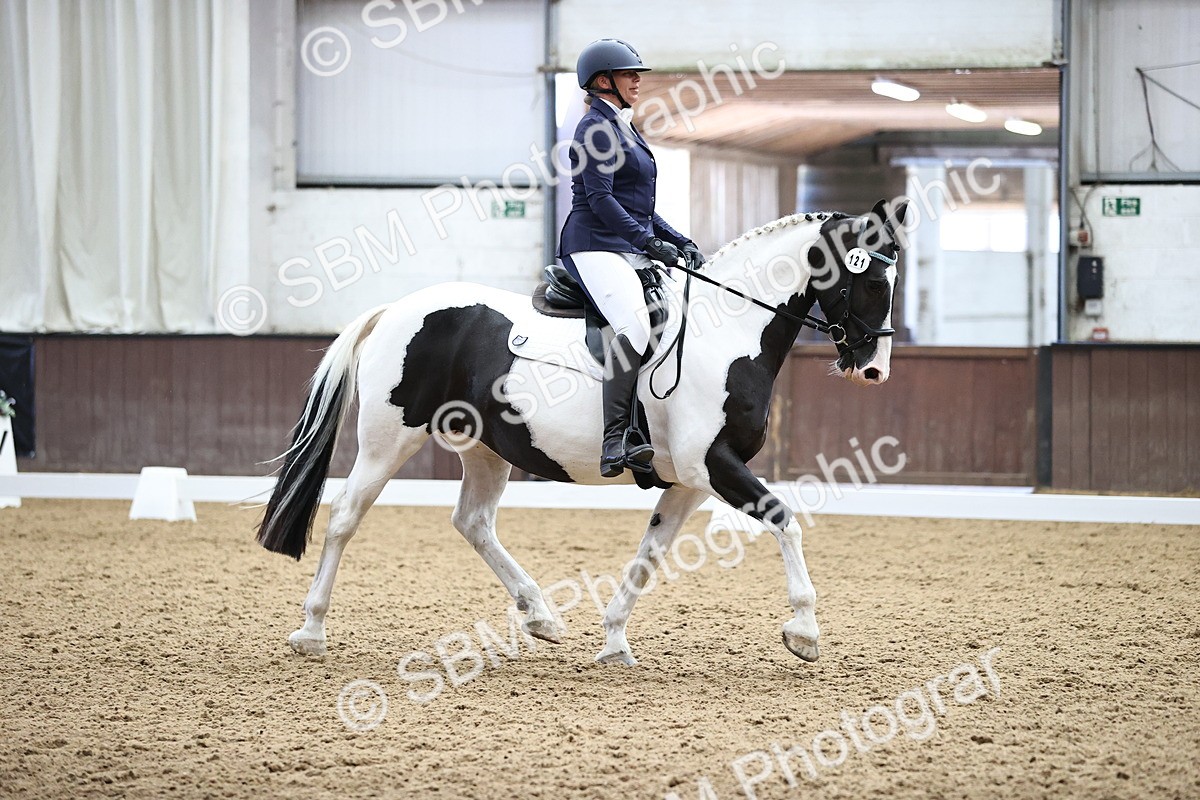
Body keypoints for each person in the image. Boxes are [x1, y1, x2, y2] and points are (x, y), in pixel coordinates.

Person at [557, 38, 706, 478]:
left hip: (622, 244)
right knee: (634, 326)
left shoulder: (623, 126)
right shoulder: (595, 129)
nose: (638, 80)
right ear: (604, 81)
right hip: (593, 244)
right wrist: (647, 242)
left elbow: (639, 204)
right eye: (629, 74)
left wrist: (678, 240)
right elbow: (602, 200)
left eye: (637, 74)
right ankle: (616, 438)